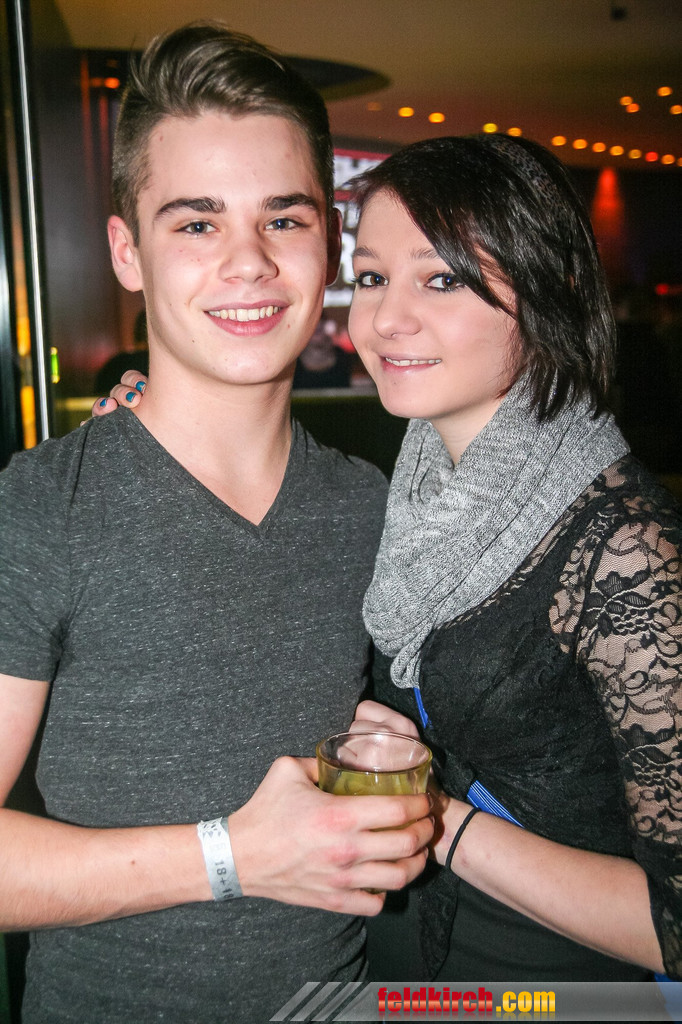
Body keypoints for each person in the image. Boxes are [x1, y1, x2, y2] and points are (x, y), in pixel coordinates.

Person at [0, 23, 433, 1024]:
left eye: (283, 219)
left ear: (329, 241)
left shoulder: (370, 504)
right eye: (196, 224)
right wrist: (231, 855)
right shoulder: (41, 507)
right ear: (127, 252)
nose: (249, 263)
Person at [347, 134, 682, 982]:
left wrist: (437, 818)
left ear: (547, 292)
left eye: (442, 279)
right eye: (371, 277)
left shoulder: (625, 552)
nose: (386, 319)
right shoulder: (417, 492)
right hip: (403, 972)